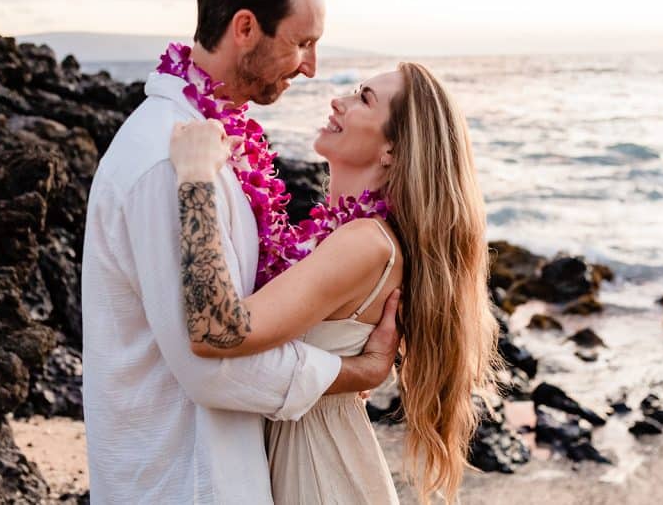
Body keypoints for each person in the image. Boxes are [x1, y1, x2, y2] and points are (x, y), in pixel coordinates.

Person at [81, 0, 400, 504]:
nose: (311, 68)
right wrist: (357, 373)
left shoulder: (207, 145)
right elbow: (210, 366)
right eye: (302, 42)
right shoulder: (168, 161)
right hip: (183, 478)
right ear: (246, 28)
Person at [170, 62, 501, 503]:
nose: (337, 100)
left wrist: (194, 180)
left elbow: (219, 330)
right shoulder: (351, 238)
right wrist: (355, 373)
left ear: (394, 150)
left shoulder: (364, 242)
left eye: (364, 98)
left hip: (318, 469)